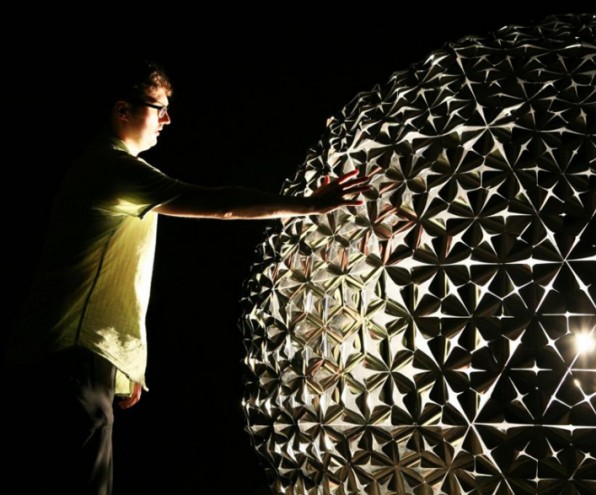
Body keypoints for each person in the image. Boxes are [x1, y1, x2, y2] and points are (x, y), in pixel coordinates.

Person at [2, 59, 369, 495]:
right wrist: (306, 205)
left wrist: (128, 366)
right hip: (70, 359)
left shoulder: (105, 168)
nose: (167, 119)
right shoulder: (112, 169)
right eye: (157, 107)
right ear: (123, 110)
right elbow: (218, 203)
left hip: (72, 356)